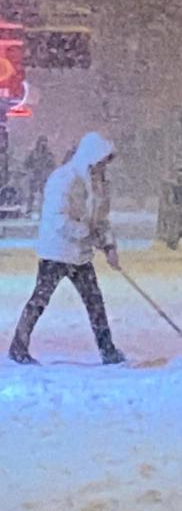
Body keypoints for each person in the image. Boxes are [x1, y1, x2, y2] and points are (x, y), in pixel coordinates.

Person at [8, 132, 125, 365]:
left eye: (104, 163)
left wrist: (109, 244)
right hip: (56, 252)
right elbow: (57, 219)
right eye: (100, 162)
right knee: (39, 300)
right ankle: (17, 347)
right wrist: (87, 234)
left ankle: (108, 350)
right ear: (89, 158)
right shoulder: (63, 179)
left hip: (80, 255)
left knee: (95, 303)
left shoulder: (99, 185)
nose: (102, 167)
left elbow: (101, 219)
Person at [24, 135, 56, 214]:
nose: (43, 143)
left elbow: (53, 166)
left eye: (45, 141)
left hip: (44, 177)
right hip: (35, 176)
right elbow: (26, 164)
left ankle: (46, 210)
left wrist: (49, 173)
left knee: (46, 195)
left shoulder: (49, 154)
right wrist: (30, 171)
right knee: (31, 194)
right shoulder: (33, 153)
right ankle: (29, 209)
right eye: (42, 141)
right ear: (38, 142)